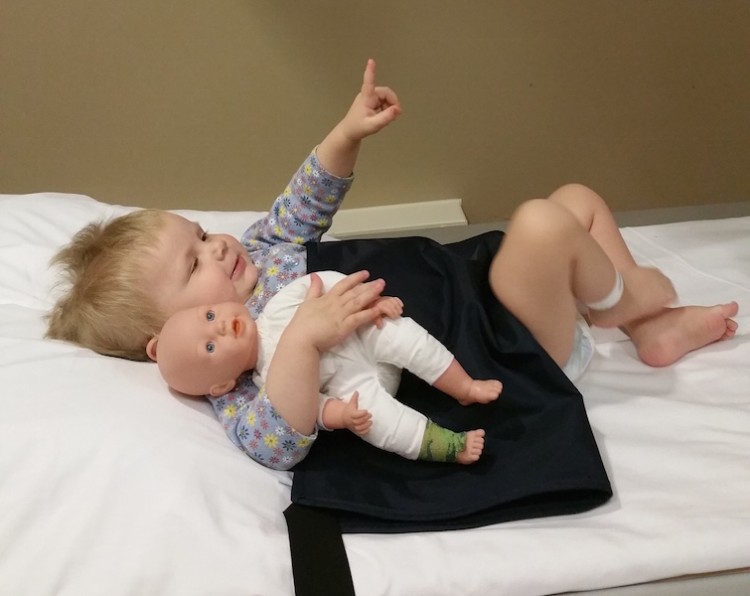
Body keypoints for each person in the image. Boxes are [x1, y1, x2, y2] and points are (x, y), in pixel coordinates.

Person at [46, 58, 739, 471]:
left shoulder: (261, 251)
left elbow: (307, 195)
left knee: (576, 202)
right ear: (174, 336)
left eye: (200, 234)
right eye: (193, 266)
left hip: (470, 287)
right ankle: (631, 300)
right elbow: (276, 443)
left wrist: (346, 133)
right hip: (487, 345)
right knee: (541, 222)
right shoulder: (237, 374)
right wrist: (308, 339)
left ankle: (649, 327)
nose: (218, 248)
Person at [147, 271, 503, 465]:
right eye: (210, 345)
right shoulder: (270, 383)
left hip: (364, 337)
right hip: (356, 386)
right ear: (223, 385)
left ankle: (465, 387)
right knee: (380, 426)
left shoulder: (278, 303)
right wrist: (341, 416)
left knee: (409, 338)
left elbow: (326, 284)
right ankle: (447, 446)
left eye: (210, 315)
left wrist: (374, 301)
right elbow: (314, 407)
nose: (220, 325)